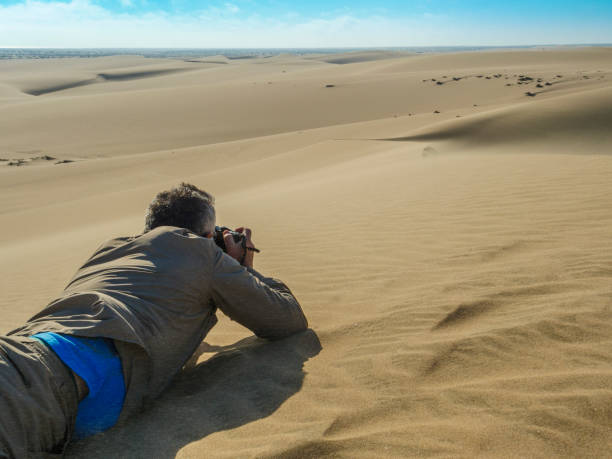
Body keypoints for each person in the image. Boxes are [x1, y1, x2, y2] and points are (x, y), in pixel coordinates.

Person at [0, 183, 308, 458]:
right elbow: (287, 320)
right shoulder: (199, 251)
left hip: (22, 360)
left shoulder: (110, 249)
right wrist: (244, 266)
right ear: (202, 236)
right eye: (213, 234)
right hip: (36, 384)